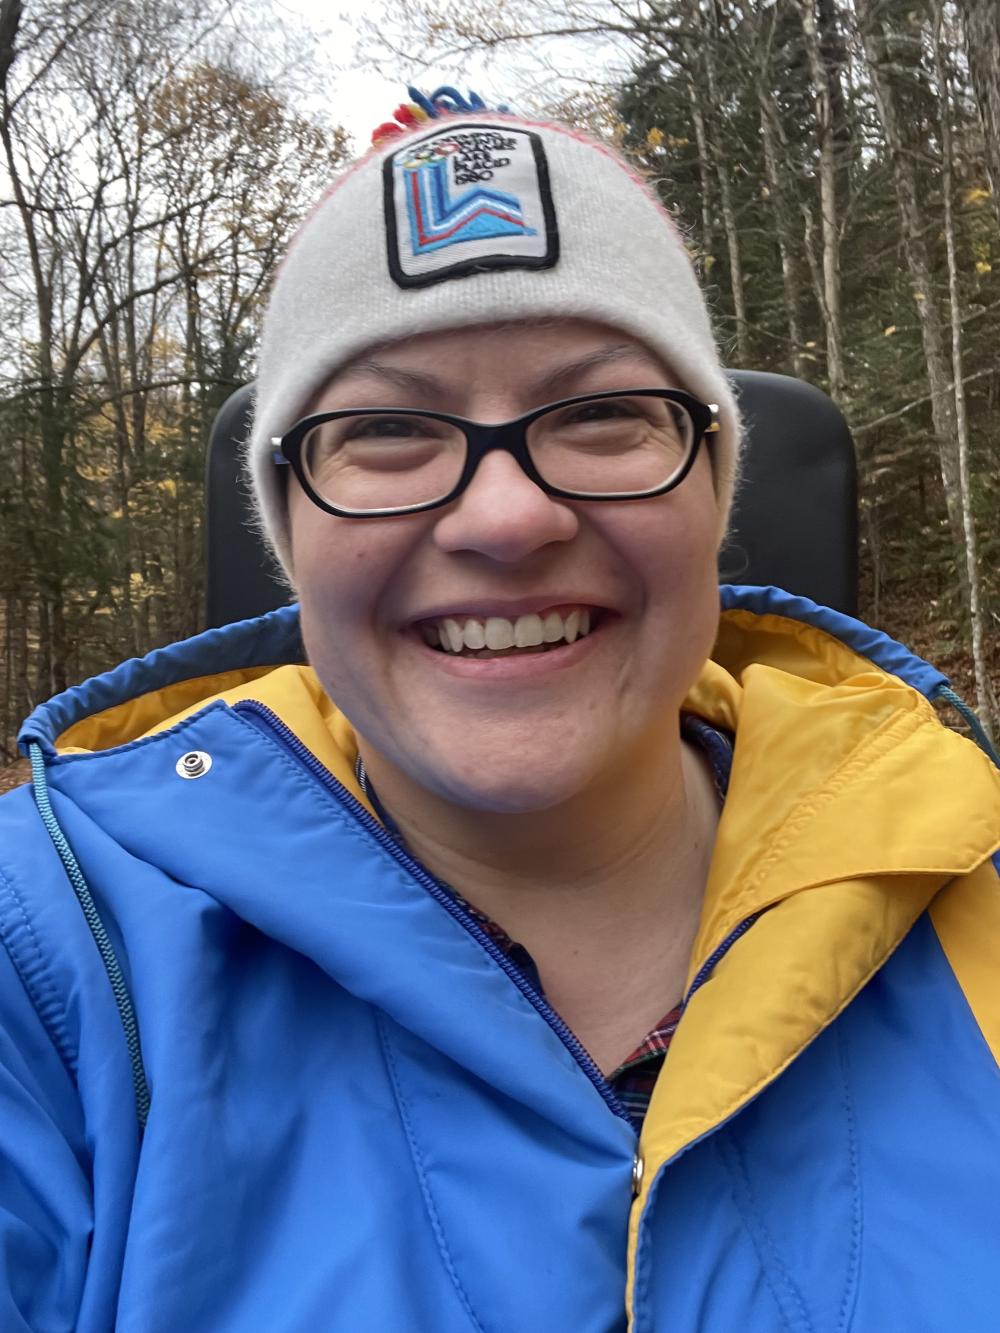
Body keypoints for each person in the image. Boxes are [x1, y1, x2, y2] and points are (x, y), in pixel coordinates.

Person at [1, 86, 999, 1333]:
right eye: (385, 432)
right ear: (287, 525)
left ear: (713, 489)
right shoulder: (47, 952)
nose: (506, 517)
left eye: (599, 417)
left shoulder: (978, 900)